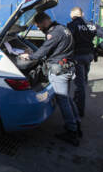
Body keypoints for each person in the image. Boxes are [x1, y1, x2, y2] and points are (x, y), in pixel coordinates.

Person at [19, 12, 81, 146]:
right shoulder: (62, 28)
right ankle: (77, 124)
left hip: (60, 70)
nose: (39, 29)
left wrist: (29, 56)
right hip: (69, 67)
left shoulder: (54, 33)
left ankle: (72, 131)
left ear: (45, 21)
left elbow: (43, 51)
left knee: (63, 100)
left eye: (39, 26)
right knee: (68, 98)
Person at [67, 7, 103, 117]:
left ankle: (79, 110)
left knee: (80, 84)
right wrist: (98, 49)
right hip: (89, 56)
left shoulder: (72, 25)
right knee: (84, 80)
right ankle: (77, 99)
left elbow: (67, 42)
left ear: (72, 15)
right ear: (82, 14)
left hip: (77, 56)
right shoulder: (92, 25)